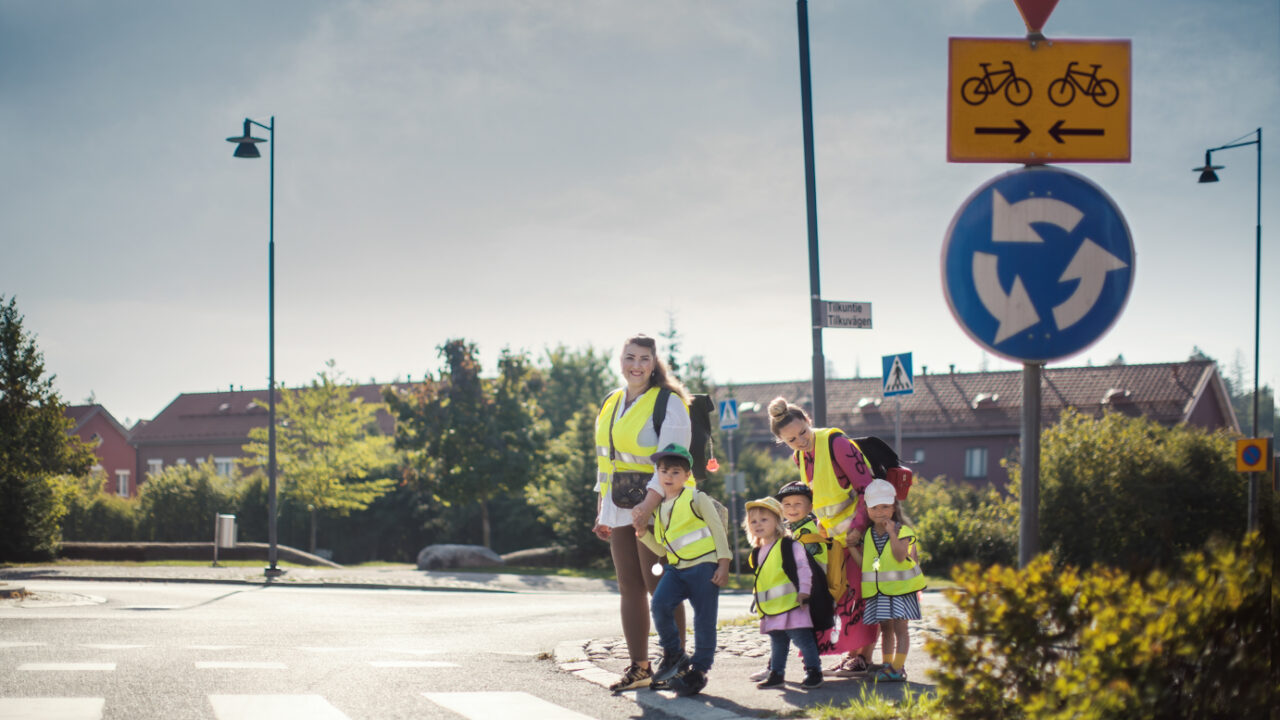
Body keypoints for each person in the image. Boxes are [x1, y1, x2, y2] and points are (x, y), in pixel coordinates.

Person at [593, 335, 693, 693]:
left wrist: (648, 506)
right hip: (620, 506)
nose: (636, 365)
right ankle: (640, 667)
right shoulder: (612, 401)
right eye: (630, 357)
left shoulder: (669, 403)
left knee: (659, 586)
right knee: (629, 587)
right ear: (620, 360)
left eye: (644, 359)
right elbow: (607, 460)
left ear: (654, 363)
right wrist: (602, 507)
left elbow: (672, 461)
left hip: (659, 508)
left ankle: (676, 663)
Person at [767, 396, 880, 676]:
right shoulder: (800, 457)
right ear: (784, 442)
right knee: (842, 595)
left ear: (808, 421)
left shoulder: (836, 443)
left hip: (859, 532)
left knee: (861, 594)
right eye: (792, 439)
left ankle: (862, 658)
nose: (801, 441)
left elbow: (867, 487)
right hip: (832, 538)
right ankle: (852, 656)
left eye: (803, 432)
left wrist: (858, 526)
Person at [636, 444, 731, 697]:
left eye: (676, 472)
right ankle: (674, 654)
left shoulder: (696, 498)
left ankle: (698, 671)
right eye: (664, 471)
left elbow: (717, 530)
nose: (669, 476)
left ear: (687, 475)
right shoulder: (658, 508)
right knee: (659, 604)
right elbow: (663, 549)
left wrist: (724, 563)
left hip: (704, 567)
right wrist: (643, 533)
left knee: (704, 620)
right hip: (676, 569)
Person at [747, 481, 830, 683]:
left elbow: (803, 568)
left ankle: (813, 671)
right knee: (777, 641)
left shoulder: (789, 545)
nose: (758, 524)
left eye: (764, 520)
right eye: (753, 521)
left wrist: (804, 591)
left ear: (777, 522)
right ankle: (777, 673)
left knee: (803, 639)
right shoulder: (758, 551)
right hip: (772, 608)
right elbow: (763, 578)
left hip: (793, 604)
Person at [849, 479, 925, 683]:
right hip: (880, 592)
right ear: (867, 509)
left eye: (885, 506)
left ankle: (898, 668)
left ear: (893, 507)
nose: (880, 511)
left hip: (901, 590)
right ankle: (886, 665)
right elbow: (866, 563)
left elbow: (900, 556)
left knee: (901, 629)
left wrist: (892, 533)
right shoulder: (869, 535)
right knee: (886, 630)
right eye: (874, 507)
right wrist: (850, 548)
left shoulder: (903, 531)